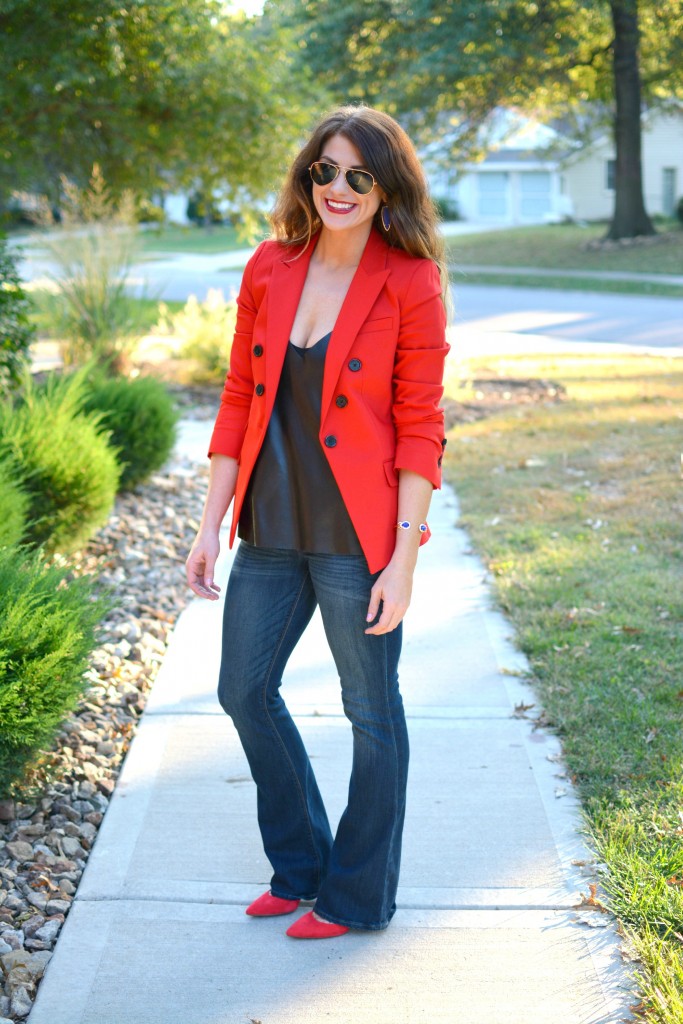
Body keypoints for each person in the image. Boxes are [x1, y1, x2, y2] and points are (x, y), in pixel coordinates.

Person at [185, 105, 450, 939]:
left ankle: (355, 894)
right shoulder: (270, 266)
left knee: (369, 711)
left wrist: (402, 560)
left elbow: (420, 425)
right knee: (242, 690)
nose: (338, 188)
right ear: (308, 178)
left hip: (355, 540)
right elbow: (238, 397)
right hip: (268, 526)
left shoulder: (409, 280)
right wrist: (207, 522)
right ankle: (298, 865)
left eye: (358, 176)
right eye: (324, 172)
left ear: (386, 188)